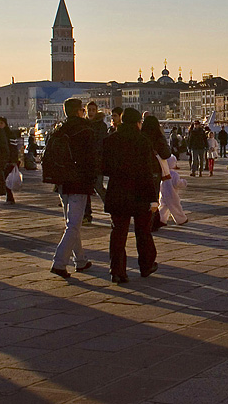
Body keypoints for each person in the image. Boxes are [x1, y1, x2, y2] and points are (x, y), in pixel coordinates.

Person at [101, 108, 158, 284]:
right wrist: (153, 198)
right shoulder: (142, 141)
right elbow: (148, 172)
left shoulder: (110, 140)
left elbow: (104, 168)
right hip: (140, 192)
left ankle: (117, 271)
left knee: (118, 233)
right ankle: (146, 265)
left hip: (118, 191)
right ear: (137, 123)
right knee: (143, 231)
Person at [46, 99, 96, 279]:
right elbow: (92, 158)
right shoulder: (85, 130)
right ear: (79, 111)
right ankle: (59, 263)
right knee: (74, 225)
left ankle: (80, 260)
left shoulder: (59, 130)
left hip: (61, 182)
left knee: (71, 223)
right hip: (79, 182)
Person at [82, 101, 110, 225]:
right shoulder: (84, 124)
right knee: (86, 189)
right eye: (89, 109)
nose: (91, 112)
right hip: (86, 162)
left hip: (97, 161)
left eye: (93, 110)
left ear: (96, 110)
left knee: (98, 187)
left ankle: (111, 208)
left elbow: (101, 143)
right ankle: (87, 215)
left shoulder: (101, 126)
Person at [158, 155, 188, 226]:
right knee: (176, 207)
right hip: (172, 194)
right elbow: (177, 183)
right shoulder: (174, 174)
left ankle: (161, 220)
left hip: (163, 193)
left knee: (163, 207)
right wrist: (183, 182)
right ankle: (181, 219)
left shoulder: (163, 173)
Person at [0, 117, 17, 205]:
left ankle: (9, 197)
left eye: (1, 123)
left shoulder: (9, 134)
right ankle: (2, 197)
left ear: (5, 124)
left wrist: (13, 160)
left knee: (4, 179)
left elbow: (14, 148)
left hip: (8, 161)